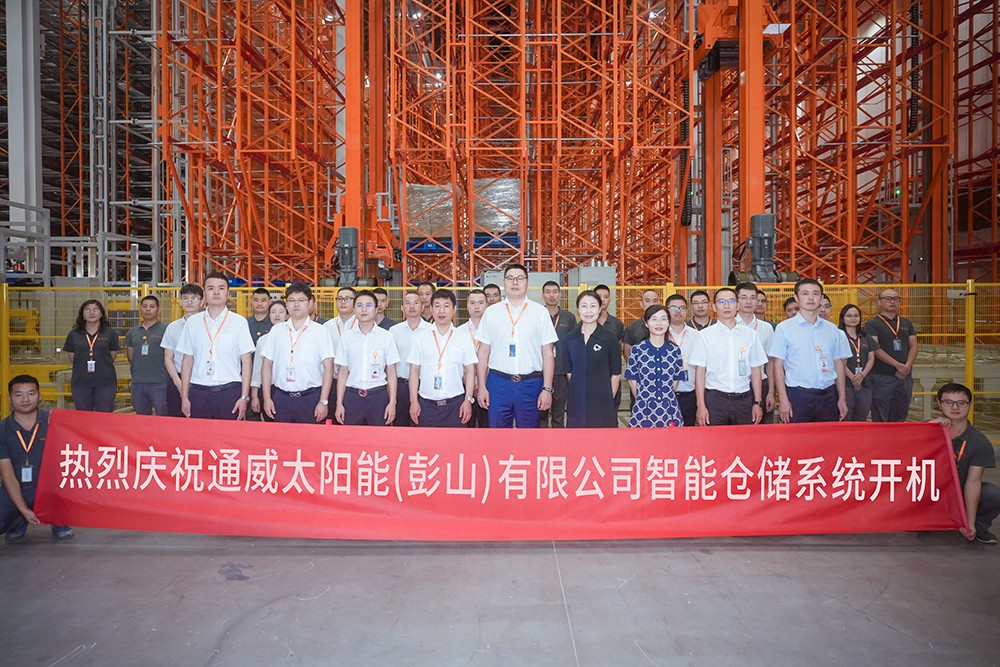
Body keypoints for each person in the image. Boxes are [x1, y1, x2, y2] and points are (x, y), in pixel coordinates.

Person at [476, 263, 558, 428]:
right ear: (504, 282)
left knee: (529, 436)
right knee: (498, 434)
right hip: (498, 384)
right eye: (510, 278)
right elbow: (483, 352)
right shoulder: (491, 313)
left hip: (530, 384)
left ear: (527, 282)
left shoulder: (540, 313)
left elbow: (548, 353)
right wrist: (482, 387)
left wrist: (547, 389)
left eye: (519, 278)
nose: (515, 282)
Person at [1, 375, 74, 541]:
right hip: (18, 487)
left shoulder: (54, 421)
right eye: (19, 395)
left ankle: (57, 518)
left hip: (51, 488)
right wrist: (23, 509)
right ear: (9, 399)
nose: (25, 399)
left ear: (40, 396)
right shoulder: (2, 430)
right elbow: (7, 475)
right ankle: (19, 519)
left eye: (31, 393)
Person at [175, 272, 255, 420]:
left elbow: (246, 361)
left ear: (228, 293)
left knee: (229, 435)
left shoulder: (239, 322)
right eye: (211, 288)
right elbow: (187, 361)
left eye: (221, 288)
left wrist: (244, 397)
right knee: (199, 434)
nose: (216, 292)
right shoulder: (193, 323)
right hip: (198, 392)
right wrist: (184, 397)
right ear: (204, 293)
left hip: (230, 392)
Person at [770, 278, 850, 423]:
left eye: (816, 293)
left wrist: (842, 398)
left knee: (828, 436)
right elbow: (777, 365)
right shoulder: (784, 328)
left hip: (829, 396)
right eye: (805, 293)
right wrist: (783, 399)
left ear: (821, 297)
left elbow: (838, 364)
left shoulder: (832, 330)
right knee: (798, 437)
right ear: (796, 298)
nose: (811, 298)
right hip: (798, 396)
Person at [928, 383, 998, 544]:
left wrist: (969, 522)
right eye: (948, 402)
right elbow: (904, 448)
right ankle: (925, 520)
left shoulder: (979, 442)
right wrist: (929, 428)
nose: (955, 407)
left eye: (961, 403)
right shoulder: (929, 427)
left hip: (960, 492)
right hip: (931, 492)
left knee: (993, 494)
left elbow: (973, 482)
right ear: (939, 404)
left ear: (970, 405)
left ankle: (977, 527)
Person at [689, 288, 766, 426]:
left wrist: (757, 402)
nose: (726, 306)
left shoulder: (751, 335)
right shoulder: (704, 336)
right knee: (714, 439)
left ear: (738, 306)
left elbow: (756, 370)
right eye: (721, 302)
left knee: (745, 438)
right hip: (715, 400)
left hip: (744, 399)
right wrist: (701, 405)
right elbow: (700, 373)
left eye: (731, 301)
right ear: (714, 307)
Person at [259, 284, 335, 423]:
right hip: (280, 398)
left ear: (310, 303)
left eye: (301, 300)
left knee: (309, 437)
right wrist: (267, 398)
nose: (296, 304)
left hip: (310, 398)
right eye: (291, 300)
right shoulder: (276, 331)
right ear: (286, 304)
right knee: (280, 436)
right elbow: (266, 365)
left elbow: (328, 367)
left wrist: (323, 401)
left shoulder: (321, 331)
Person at [407, 289, 478, 427]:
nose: (441, 311)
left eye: (446, 306)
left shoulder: (463, 337)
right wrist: (413, 401)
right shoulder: (420, 337)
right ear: (431, 308)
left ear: (454, 309)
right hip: (426, 405)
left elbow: (470, 371)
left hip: (456, 405)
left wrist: (468, 400)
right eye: (437, 306)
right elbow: (414, 371)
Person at [335, 290, 399, 425]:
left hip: (378, 397)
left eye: (369, 305)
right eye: (359, 305)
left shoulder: (386, 337)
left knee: (379, 437)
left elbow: (391, 371)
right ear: (354, 310)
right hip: (352, 397)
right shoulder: (346, 337)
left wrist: (392, 402)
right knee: (351, 437)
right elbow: (343, 372)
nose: (364, 309)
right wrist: (339, 403)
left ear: (376, 310)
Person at [563, 290, 621, 427]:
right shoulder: (569, 339)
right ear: (578, 309)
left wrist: (607, 399)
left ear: (600, 309)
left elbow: (616, 374)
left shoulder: (609, 338)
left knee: (602, 439)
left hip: (603, 403)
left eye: (593, 306)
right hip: (577, 402)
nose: (588, 311)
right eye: (584, 306)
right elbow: (569, 373)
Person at [625, 304, 685, 427]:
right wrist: (643, 399)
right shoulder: (637, 349)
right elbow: (632, 380)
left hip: (669, 409)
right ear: (646, 323)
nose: (659, 323)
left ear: (668, 322)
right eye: (654, 319)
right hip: (643, 409)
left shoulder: (675, 350)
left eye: (663, 319)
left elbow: (676, 380)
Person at [864, 287, 918, 422]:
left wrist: (906, 366)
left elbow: (914, 346)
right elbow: (875, 349)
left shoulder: (906, 323)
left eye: (896, 299)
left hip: (904, 377)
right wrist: (898, 365)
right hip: (882, 377)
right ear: (879, 302)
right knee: (881, 416)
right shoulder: (872, 323)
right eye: (888, 299)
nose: (892, 302)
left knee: (900, 415)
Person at [64, 299, 120, 412]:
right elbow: (72, 357)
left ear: (101, 314)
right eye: (87, 310)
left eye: (95, 309)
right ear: (82, 314)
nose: (92, 313)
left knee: (104, 416)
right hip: (81, 383)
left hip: (105, 383)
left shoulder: (110, 333)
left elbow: (112, 356)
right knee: (84, 417)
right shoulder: (73, 334)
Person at [735, 282, 776, 423]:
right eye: (744, 297)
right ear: (736, 300)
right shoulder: (729, 326)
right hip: (736, 385)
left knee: (761, 427)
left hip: (761, 384)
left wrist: (771, 392)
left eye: (753, 298)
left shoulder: (766, 328)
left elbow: (770, 363)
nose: (749, 302)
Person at [390, 291, 432, 426]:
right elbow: (389, 364)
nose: (412, 306)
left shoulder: (431, 330)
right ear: (402, 308)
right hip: (400, 385)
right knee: (400, 426)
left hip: (424, 385)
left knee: (422, 425)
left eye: (416, 303)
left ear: (422, 307)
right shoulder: (393, 331)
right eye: (408, 303)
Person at [161, 283, 204, 417]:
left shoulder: (208, 326)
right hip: (177, 378)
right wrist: (178, 382)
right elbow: (168, 358)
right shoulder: (172, 327)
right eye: (185, 298)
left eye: (194, 298)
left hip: (200, 379)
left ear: (202, 302)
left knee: (198, 418)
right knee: (176, 418)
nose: (189, 302)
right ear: (180, 302)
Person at [124, 295, 170, 415]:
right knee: (141, 416)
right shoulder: (132, 332)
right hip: (138, 382)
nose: (148, 309)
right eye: (144, 306)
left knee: (164, 415)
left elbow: (170, 356)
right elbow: (130, 356)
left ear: (158, 310)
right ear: (140, 309)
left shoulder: (167, 330)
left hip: (160, 382)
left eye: (152, 306)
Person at [665, 294, 706, 428]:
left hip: (690, 394)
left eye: (682, 308)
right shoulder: (660, 335)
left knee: (688, 432)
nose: (678, 311)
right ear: (666, 310)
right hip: (666, 394)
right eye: (674, 308)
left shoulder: (697, 336)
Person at [540, 280, 576, 427]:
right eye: (548, 292)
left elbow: (574, 345)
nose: (551, 296)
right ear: (542, 295)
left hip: (562, 372)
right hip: (540, 372)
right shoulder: (537, 315)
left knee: (559, 415)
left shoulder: (569, 317)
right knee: (540, 414)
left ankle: (558, 440)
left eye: (555, 292)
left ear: (560, 295)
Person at [250, 300, 288, 420]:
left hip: (286, 389)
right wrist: (254, 395)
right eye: (273, 312)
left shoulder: (294, 338)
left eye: (281, 312)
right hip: (267, 389)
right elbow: (257, 369)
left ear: (287, 315)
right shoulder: (263, 340)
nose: (277, 315)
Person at [459, 289, 490, 428]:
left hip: (489, 387)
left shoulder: (494, 330)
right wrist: (469, 385)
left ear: (487, 304)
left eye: (481, 303)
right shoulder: (459, 332)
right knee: (467, 428)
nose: (476, 306)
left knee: (488, 429)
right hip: (465, 387)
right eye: (472, 303)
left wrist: (482, 384)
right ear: (467, 305)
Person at [839, 304, 875, 422]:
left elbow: (871, 358)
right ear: (843, 318)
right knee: (846, 417)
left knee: (861, 417)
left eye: (856, 315)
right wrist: (853, 378)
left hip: (864, 383)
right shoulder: (839, 336)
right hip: (846, 384)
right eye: (849, 316)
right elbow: (838, 361)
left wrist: (862, 376)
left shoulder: (865, 336)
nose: (853, 318)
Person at [623, 289, 660, 361]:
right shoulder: (632, 328)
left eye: (654, 301)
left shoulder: (664, 326)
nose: (651, 304)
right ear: (641, 304)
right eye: (647, 301)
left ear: (658, 303)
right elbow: (627, 355)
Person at [323, 286, 358, 355]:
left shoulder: (361, 325)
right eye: (339, 299)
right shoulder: (327, 326)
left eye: (347, 299)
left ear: (355, 302)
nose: (343, 302)